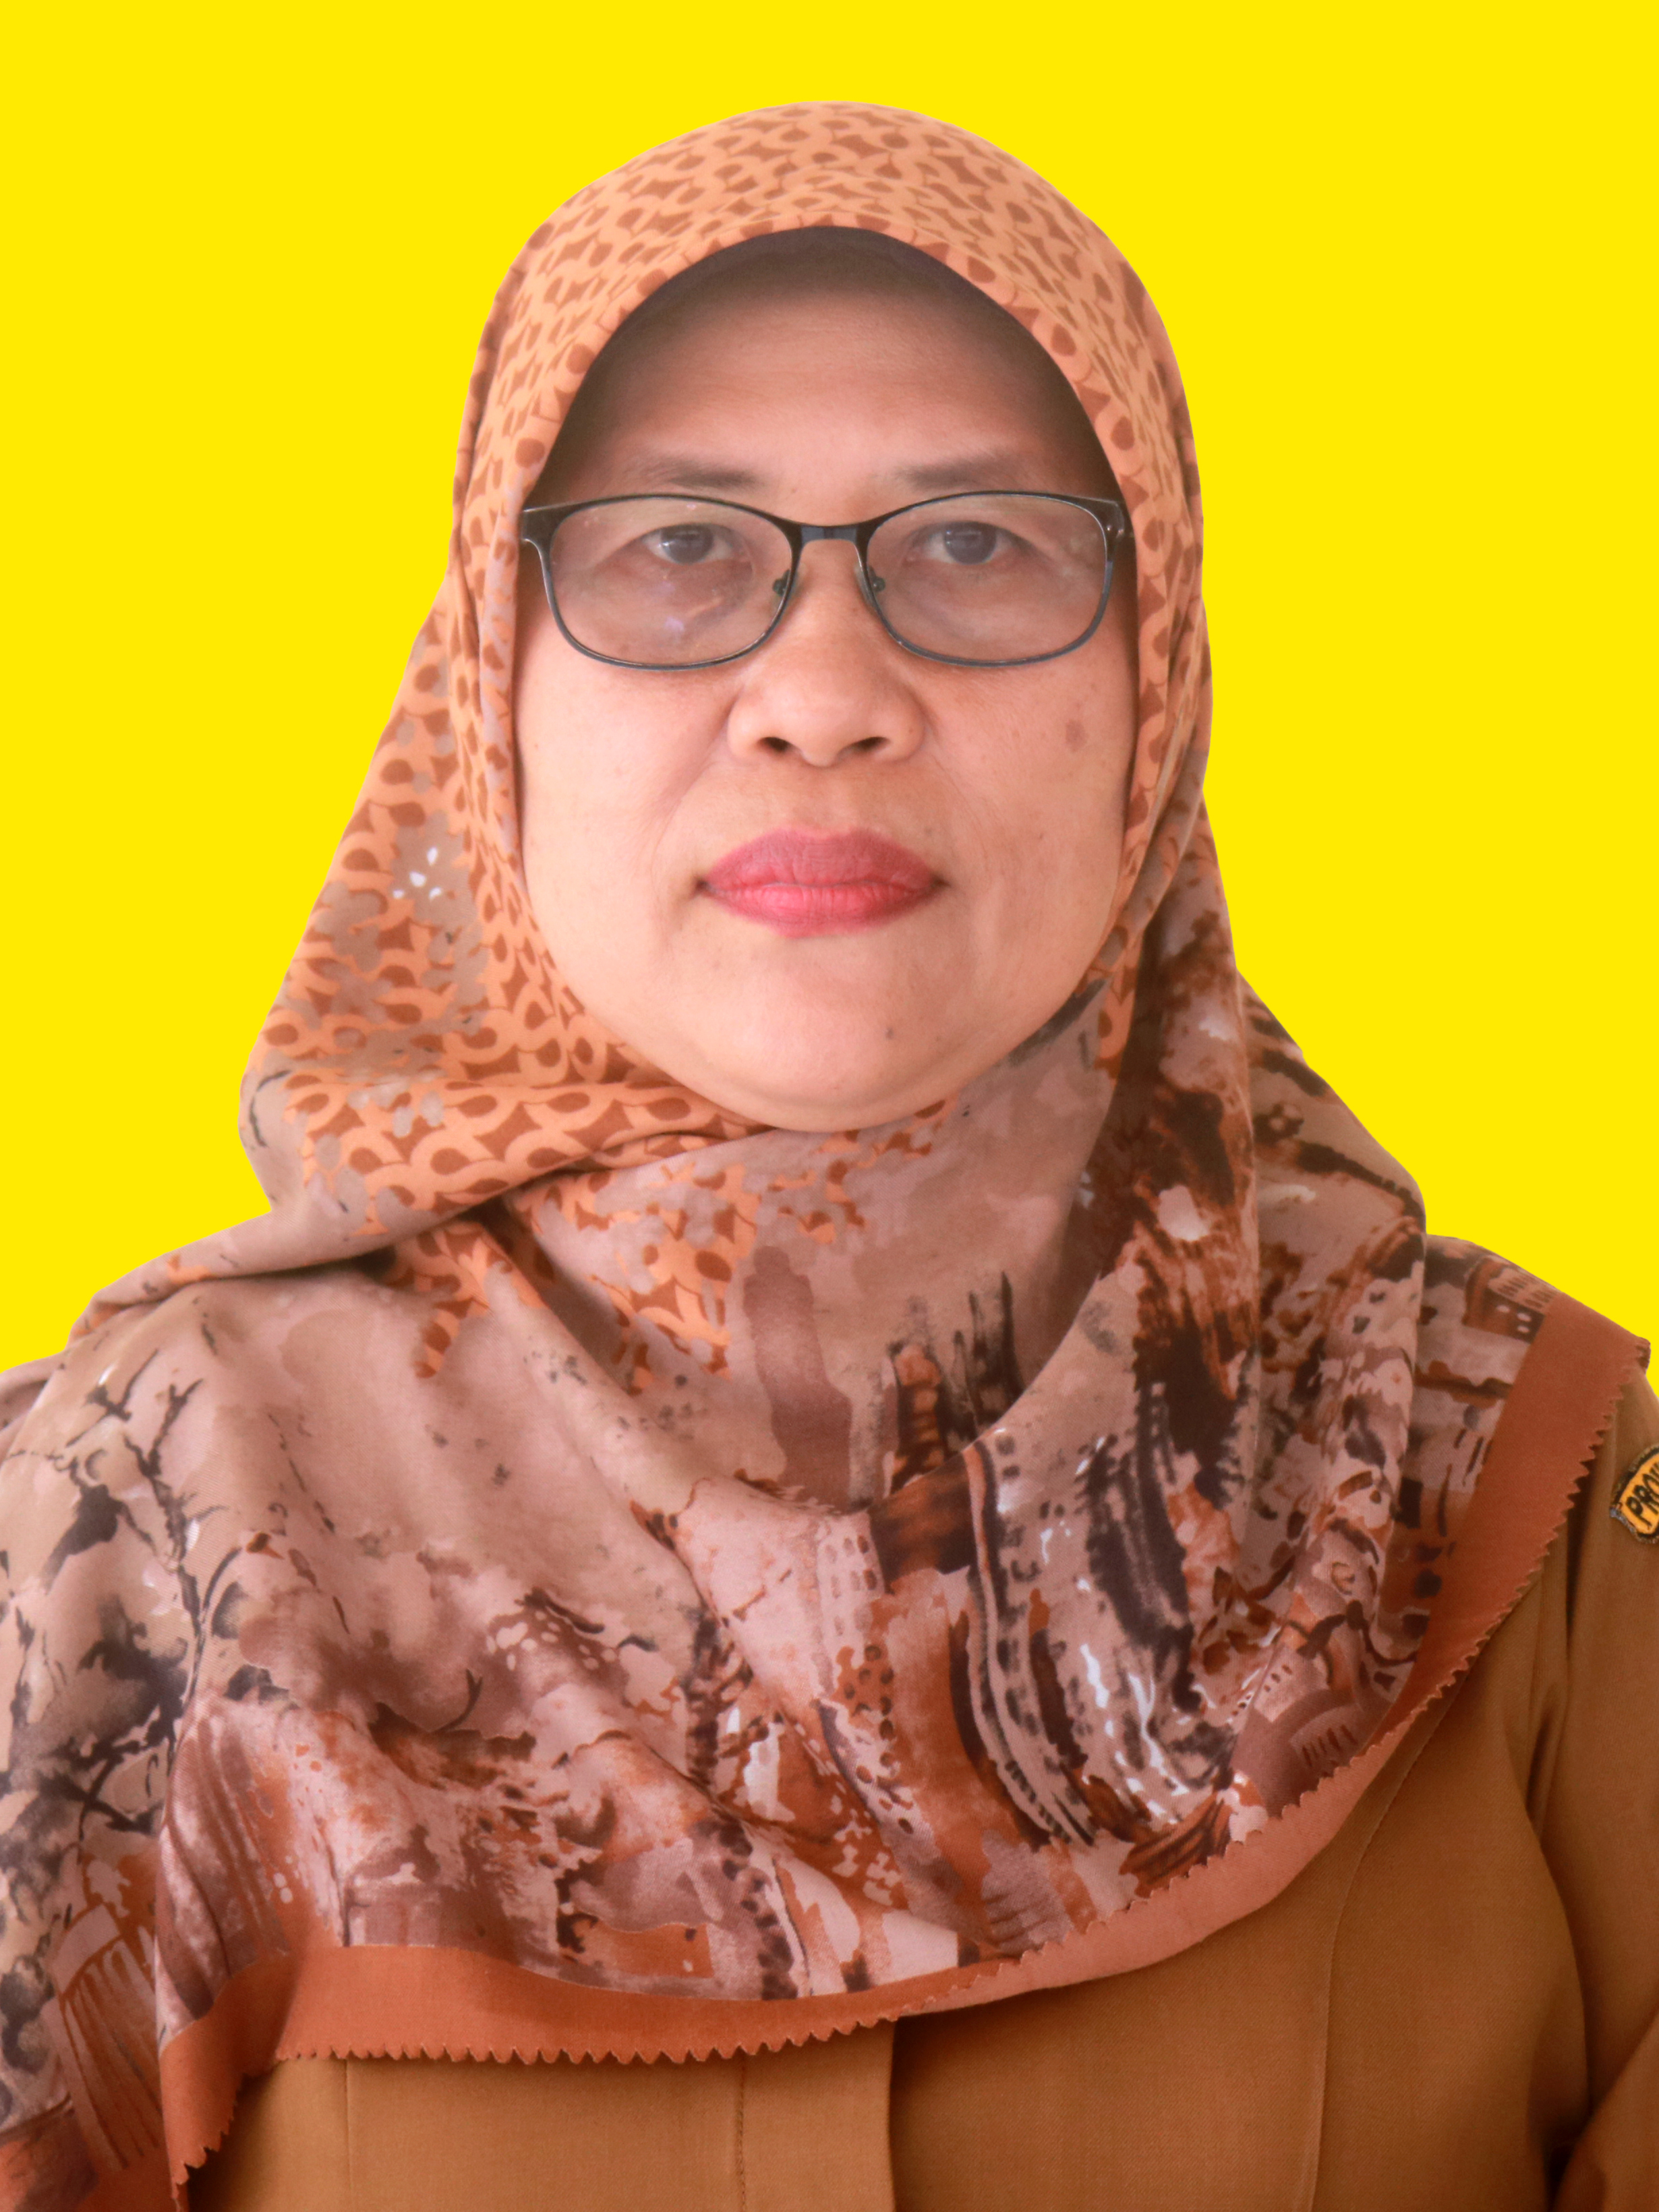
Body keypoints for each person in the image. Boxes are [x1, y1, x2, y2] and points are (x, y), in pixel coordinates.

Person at [0, 103, 1652, 2212]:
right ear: (490, 693)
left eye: (972, 546)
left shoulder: (1518, 1500)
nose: (821, 692)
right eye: (677, 548)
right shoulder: (131, 1528)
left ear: (1154, 687)